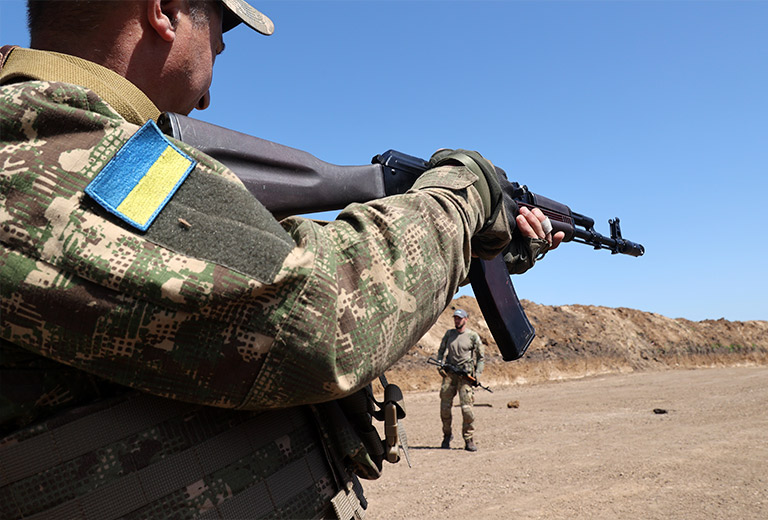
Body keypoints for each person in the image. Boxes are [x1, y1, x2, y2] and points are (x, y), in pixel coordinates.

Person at [0, 1, 563, 518]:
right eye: (217, 47)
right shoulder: (50, 152)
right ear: (165, 11)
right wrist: (462, 194)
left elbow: (254, 263)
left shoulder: (80, 150)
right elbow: (325, 315)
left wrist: (483, 242)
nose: (206, 99)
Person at [436, 309, 485, 452]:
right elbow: (440, 351)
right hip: (450, 375)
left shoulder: (472, 336)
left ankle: (469, 439)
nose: (457, 321)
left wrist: (477, 374)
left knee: (467, 410)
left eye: (459, 318)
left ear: (466, 319)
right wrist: (440, 366)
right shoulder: (449, 334)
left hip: (465, 377)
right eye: (455, 318)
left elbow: (481, 357)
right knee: (445, 408)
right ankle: (447, 436)